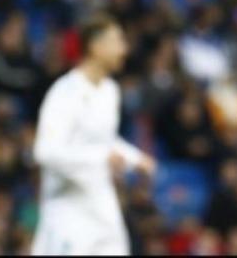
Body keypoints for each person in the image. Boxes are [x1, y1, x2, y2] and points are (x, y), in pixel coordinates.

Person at [31, 13, 157, 255]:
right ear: (96, 47)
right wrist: (100, 159)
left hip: (100, 199)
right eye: (118, 41)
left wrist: (136, 158)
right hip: (66, 206)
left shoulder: (110, 91)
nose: (125, 49)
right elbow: (44, 152)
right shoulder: (65, 92)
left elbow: (105, 140)